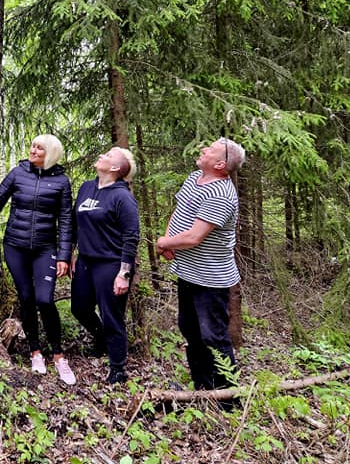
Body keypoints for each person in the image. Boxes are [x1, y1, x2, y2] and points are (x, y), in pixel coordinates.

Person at [0, 134, 76, 384]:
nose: (33, 150)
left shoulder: (62, 182)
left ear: (50, 154)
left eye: (39, 148)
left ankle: (58, 355)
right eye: (33, 146)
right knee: (26, 297)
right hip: (15, 246)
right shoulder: (18, 173)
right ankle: (35, 352)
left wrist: (64, 255)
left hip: (45, 249)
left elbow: (66, 220)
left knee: (45, 299)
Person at [156, 137, 245, 395]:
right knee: (190, 329)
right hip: (188, 272)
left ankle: (228, 396)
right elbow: (179, 212)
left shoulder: (221, 194)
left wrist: (164, 242)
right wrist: (169, 242)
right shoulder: (195, 178)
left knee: (214, 336)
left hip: (211, 280)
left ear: (220, 164)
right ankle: (203, 388)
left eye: (211, 149)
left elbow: (195, 237)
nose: (203, 149)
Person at [70, 147, 139, 385]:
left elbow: (131, 236)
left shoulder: (122, 197)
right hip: (85, 261)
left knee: (112, 316)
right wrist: (70, 252)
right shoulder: (86, 187)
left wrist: (124, 273)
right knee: (79, 308)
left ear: (115, 168)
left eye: (108, 156)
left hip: (111, 264)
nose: (102, 156)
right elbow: (75, 223)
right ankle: (100, 341)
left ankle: (118, 368)